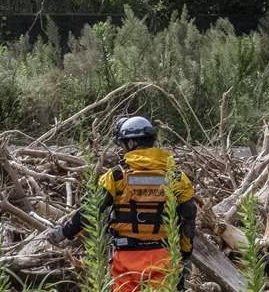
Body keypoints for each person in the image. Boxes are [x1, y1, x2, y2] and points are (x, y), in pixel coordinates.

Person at [48, 116, 198, 292]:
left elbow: (90, 212)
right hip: (164, 258)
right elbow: (189, 217)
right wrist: (185, 252)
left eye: (123, 144)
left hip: (127, 261)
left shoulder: (116, 176)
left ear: (132, 142)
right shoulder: (177, 178)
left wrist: (63, 232)